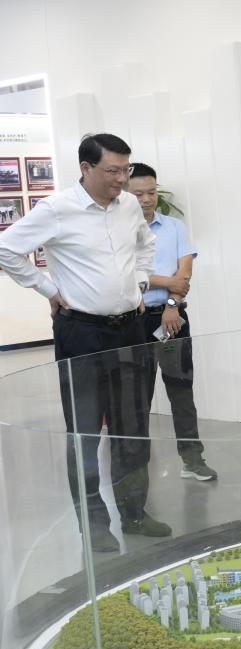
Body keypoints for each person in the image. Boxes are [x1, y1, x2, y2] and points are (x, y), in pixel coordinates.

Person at [0, 133, 168, 551]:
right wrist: (47, 289)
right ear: (86, 168)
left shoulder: (129, 206)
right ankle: (93, 525)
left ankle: (134, 512)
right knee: (85, 432)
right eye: (112, 171)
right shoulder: (57, 210)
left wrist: (140, 281)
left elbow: (146, 245)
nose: (121, 180)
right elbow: (6, 249)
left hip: (130, 330)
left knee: (133, 427)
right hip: (82, 333)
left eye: (125, 170)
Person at [126, 162, 218, 482]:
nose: (147, 199)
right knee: (138, 397)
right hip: (135, 322)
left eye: (151, 192)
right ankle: (136, 467)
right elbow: (129, 276)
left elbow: (185, 273)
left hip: (173, 318)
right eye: (138, 194)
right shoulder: (119, 232)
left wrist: (171, 304)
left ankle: (192, 460)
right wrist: (168, 283)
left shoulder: (174, 227)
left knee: (181, 391)